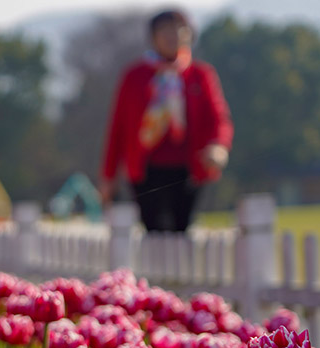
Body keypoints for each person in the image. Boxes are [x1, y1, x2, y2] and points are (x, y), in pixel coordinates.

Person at [99, 9, 233, 232]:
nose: (172, 35)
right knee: (155, 231)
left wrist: (218, 146)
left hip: (188, 168)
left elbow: (218, 118)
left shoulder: (200, 75)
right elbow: (118, 128)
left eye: (179, 29)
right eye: (165, 30)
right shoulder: (134, 77)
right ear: (153, 37)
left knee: (182, 230)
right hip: (146, 170)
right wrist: (108, 175)